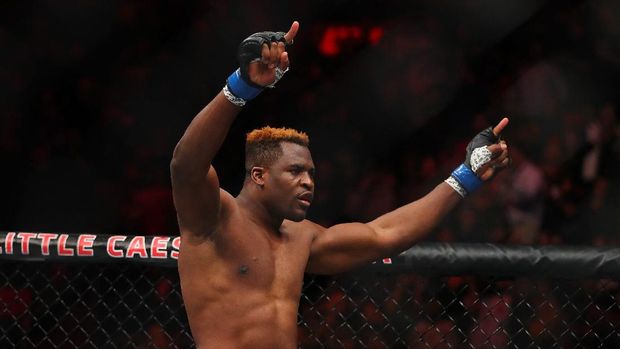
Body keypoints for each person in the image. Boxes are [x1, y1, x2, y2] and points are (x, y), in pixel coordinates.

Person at [170, 21, 510, 349]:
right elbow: (186, 165)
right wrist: (241, 87)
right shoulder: (215, 217)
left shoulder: (300, 238)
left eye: (312, 174)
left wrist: (464, 175)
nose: (307, 182)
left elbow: (384, 235)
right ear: (259, 175)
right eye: (295, 171)